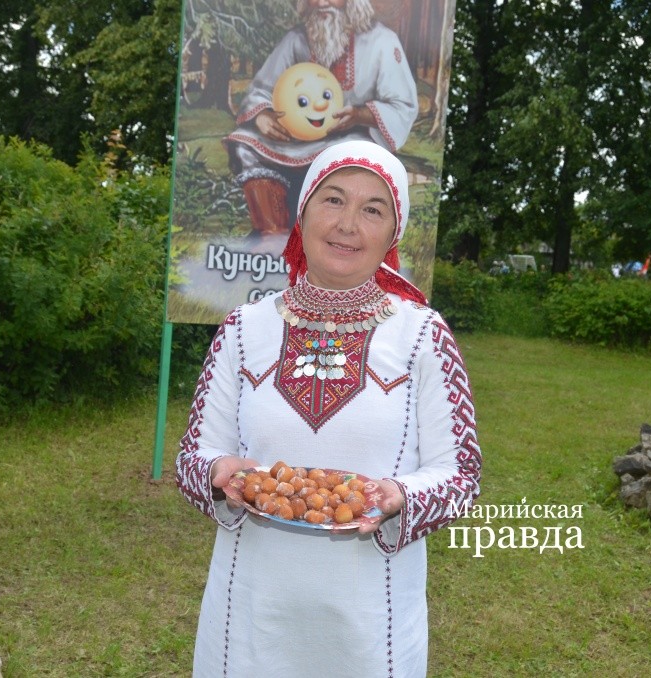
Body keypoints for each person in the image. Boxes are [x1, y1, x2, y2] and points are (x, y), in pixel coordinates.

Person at [176, 140, 481, 676]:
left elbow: (460, 475)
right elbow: (192, 457)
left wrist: (400, 495)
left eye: (373, 209)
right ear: (303, 213)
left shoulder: (423, 336)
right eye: (333, 200)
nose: (348, 224)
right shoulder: (243, 330)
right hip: (251, 612)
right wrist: (218, 472)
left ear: (394, 233)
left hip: (372, 619)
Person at [224, 0, 419, 240]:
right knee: (245, 143)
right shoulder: (296, 39)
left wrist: (359, 115)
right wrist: (263, 115)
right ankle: (271, 234)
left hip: (352, 139)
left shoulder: (382, 41)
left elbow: (403, 105)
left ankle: (330, 239)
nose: (323, 2)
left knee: (353, 165)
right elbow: (260, 89)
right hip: (294, 138)